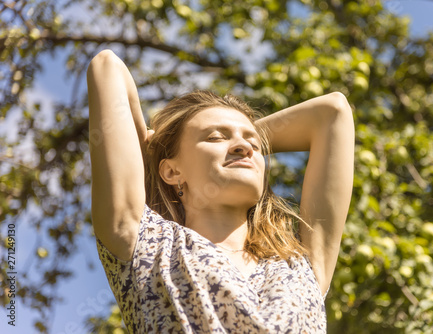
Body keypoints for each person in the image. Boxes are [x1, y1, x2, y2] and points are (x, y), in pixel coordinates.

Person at [87, 49, 354, 333]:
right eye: (214, 136)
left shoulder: (301, 263)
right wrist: (151, 153)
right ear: (172, 171)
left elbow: (333, 111)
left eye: (254, 143)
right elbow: (107, 66)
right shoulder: (148, 246)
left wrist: (240, 146)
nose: (246, 147)